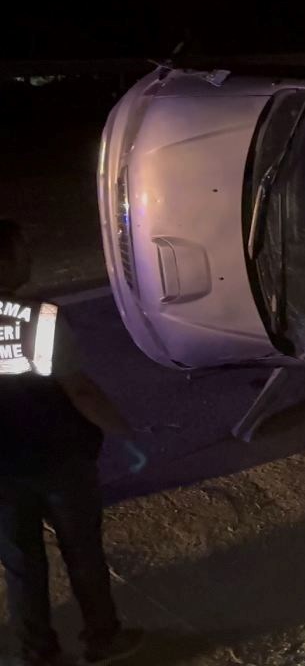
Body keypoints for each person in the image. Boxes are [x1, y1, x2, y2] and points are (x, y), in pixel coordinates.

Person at [0, 220, 144, 665]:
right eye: (20, 251)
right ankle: (103, 637)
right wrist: (125, 433)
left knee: (21, 565)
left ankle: (37, 652)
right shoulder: (41, 318)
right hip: (58, 457)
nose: (29, 258)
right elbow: (79, 391)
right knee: (82, 552)